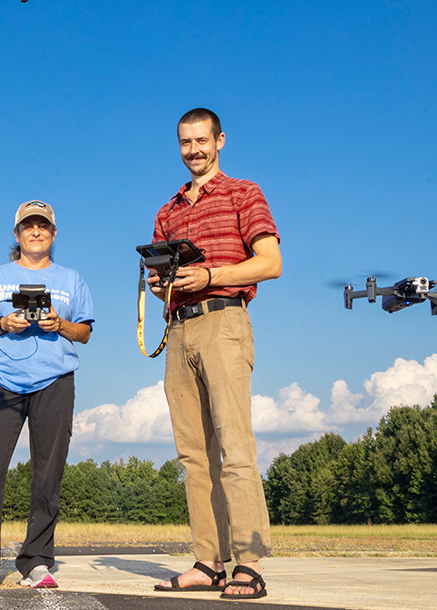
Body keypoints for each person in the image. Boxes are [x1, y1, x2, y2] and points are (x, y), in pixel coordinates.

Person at [148, 108, 281, 600]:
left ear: (219, 140)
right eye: (185, 143)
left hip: (224, 320)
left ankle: (249, 562)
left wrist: (209, 275)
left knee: (234, 446)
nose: (194, 150)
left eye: (202, 141)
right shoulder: (168, 211)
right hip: (178, 329)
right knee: (194, 456)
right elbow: (163, 284)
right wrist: (162, 282)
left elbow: (270, 263)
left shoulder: (244, 192)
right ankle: (209, 561)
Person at [0, 200, 95, 592]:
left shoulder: (71, 279)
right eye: (28, 226)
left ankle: (37, 561)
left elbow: (85, 333)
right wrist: (2, 323)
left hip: (56, 381)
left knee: (48, 473)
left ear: (53, 234)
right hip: (4, 381)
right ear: (17, 234)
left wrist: (59, 323)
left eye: (43, 226)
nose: (36, 232)